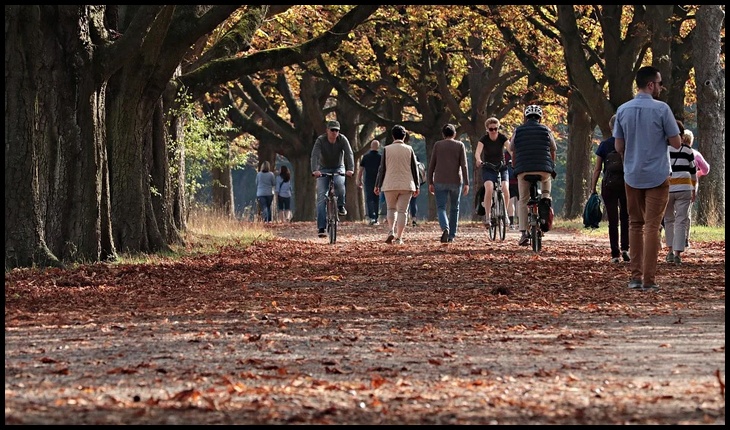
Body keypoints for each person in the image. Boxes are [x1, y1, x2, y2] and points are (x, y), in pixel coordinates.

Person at [614, 65, 682, 291]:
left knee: (634, 224)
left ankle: (635, 276)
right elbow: (676, 143)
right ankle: (649, 280)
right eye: (659, 83)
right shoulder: (662, 110)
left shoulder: (623, 110)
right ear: (651, 85)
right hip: (657, 174)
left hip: (632, 174)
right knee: (652, 226)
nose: (661, 87)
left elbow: (619, 146)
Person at [509, 104, 557, 246]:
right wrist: (551, 165)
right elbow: (553, 149)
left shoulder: (518, 131)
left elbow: (512, 149)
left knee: (523, 200)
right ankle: (544, 213)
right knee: (546, 192)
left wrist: (514, 166)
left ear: (525, 117)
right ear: (540, 118)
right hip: (543, 169)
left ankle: (524, 232)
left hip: (523, 170)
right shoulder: (546, 130)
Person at [591, 114, 630, 264]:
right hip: (626, 183)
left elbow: (597, 169)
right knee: (626, 217)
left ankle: (615, 254)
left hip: (609, 184)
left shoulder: (604, 145)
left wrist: (593, 188)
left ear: (610, 127)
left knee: (613, 220)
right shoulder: (628, 143)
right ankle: (626, 248)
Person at [374, 125, 420, 244]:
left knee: (391, 208)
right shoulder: (409, 149)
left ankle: (391, 231)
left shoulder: (386, 149)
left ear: (393, 136)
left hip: (389, 184)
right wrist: (417, 185)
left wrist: (377, 184)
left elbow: (382, 169)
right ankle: (399, 237)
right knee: (402, 211)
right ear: (404, 136)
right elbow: (414, 169)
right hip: (406, 184)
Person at [311, 120, 355, 238]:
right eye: (332, 130)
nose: (334, 132)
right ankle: (321, 227)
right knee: (321, 196)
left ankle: (340, 205)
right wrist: (315, 170)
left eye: (337, 130)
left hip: (338, 168)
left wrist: (350, 169)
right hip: (323, 168)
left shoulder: (342, 139)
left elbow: (349, 153)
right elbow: (314, 155)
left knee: (340, 185)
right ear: (327, 130)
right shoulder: (320, 140)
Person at [427, 123, 469, 243]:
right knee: (455, 208)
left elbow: (432, 165)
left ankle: (445, 227)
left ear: (443, 134)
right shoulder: (460, 145)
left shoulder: (437, 145)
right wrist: (466, 182)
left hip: (440, 180)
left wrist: (430, 181)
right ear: (454, 134)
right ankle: (451, 235)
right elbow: (464, 165)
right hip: (455, 180)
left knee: (441, 207)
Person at [663, 120, 697, 265]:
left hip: (668, 188)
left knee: (668, 219)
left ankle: (670, 251)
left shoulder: (664, 149)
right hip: (685, 187)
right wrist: (694, 189)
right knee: (681, 220)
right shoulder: (688, 150)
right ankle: (678, 253)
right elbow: (693, 172)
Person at [475, 117, 510, 228]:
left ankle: (505, 215)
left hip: (501, 167)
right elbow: (477, 152)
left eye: (496, 129)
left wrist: (514, 159)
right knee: (489, 188)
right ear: (487, 130)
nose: (494, 131)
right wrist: (479, 160)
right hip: (488, 167)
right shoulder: (483, 139)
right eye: (491, 129)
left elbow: (510, 149)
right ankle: (488, 216)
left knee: (505, 188)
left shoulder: (502, 138)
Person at [685, 130, 709, 248]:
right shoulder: (695, 154)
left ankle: (675, 237)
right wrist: (699, 173)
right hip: (691, 184)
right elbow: (706, 169)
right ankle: (685, 238)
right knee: (687, 211)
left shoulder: (673, 152)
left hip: (674, 184)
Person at [357, 139, 382, 225]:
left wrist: (359, 179)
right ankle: (376, 218)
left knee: (369, 199)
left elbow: (361, 170)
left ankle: (371, 216)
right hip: (378, 181)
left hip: (368, 180)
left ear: (371, 147)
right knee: (376, 199)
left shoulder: (366, 157)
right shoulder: (380, 157)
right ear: (378, 147)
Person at [504, 150, 518, 230]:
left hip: (509, 180)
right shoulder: (519, 150)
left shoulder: (506, 154)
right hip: (519, 178)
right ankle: (520, 222)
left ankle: (511, 223)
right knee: (521, 202)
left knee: (511, 202)